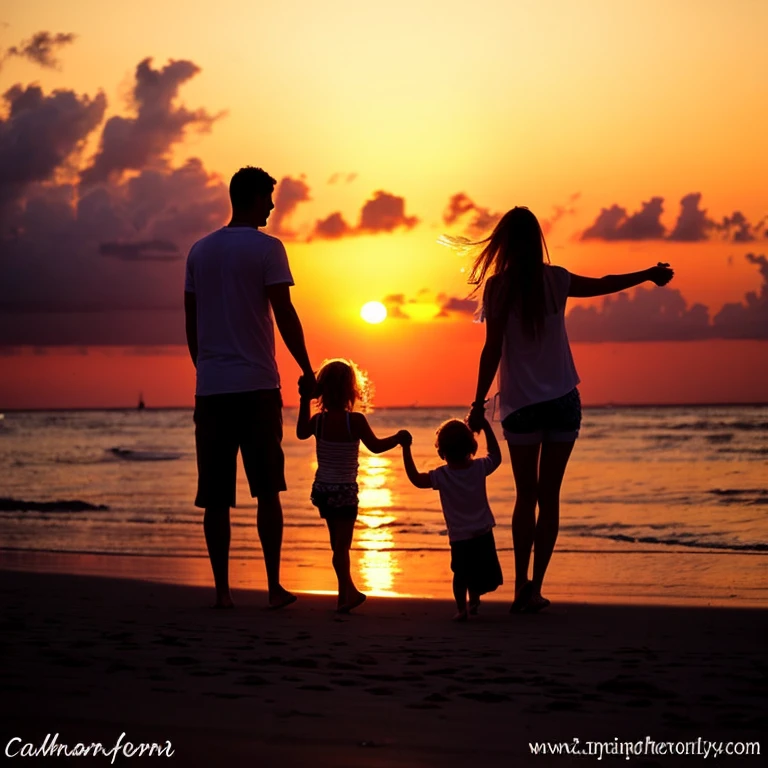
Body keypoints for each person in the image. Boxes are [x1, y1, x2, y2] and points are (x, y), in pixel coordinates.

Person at [465, 206, 674, 613]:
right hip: (562, 400)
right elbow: (605, 283)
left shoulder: (498, 288)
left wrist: (477, 403)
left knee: (526, 496)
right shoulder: (556, 278)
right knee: (550, 496)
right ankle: (535, 588)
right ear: (537, 238)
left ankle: (521, 585)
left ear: (504, 243)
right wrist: (647, 274)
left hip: (521, 404)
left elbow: (491, 349)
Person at [184, 166, 315, 610]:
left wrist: (205, 369)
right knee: (267, 490)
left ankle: (223, 592)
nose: (274, 206)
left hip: (213, 389)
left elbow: (191, 323)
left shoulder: (199, 252)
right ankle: (273, 585)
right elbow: (284, 313)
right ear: (253, 197)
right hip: (258, 386)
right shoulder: (268, 249)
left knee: (216, 497)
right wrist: (307, 368)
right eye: (269, 198)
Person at [296, 359, 408, 613]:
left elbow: (301, 432)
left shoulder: (319, 421)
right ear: (351, 390)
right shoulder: (354, 421)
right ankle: (346, 596)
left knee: (337, 546)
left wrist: (304, 399)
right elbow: (377, 447)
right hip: (345, 493)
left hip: (323, 490)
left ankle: (345, 595)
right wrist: (398, 439)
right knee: (341, 547)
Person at [401, 417, 503, 621]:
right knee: (478, 571)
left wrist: (406, 449)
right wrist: (486, 426)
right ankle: (473, 601)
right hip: (483, 531)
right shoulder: (479, 467)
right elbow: (496, 457)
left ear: (441, 452)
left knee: (461, 574)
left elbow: (416, 479)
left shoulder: (442, 475)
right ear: (471, 446)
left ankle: (461, 609)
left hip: (460, 537)